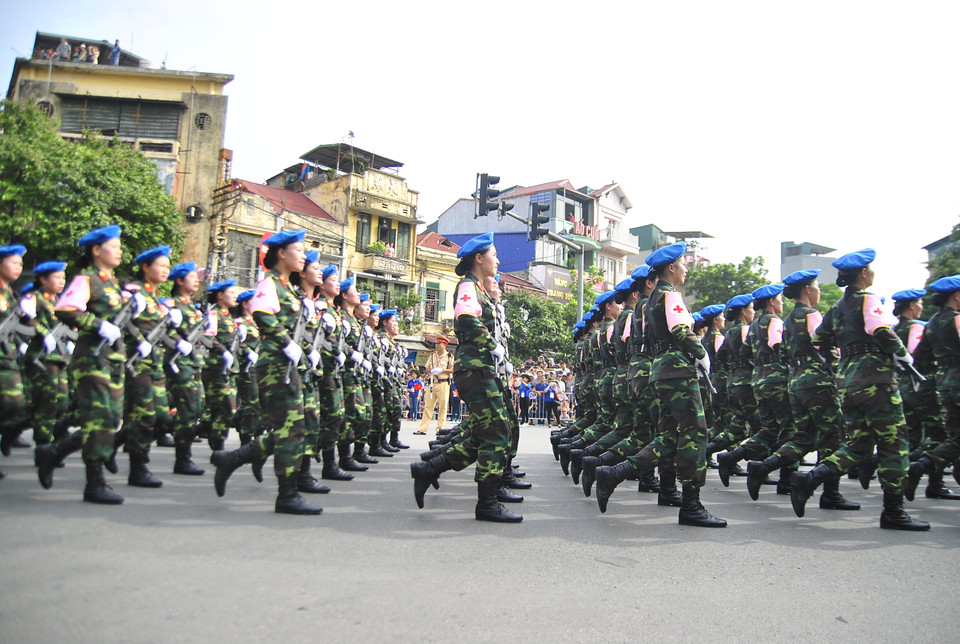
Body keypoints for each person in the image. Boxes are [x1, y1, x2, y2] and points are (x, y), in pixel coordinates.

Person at [791, 248, 928, 530]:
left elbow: (819, 338)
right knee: (894, 444)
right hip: (875, 380)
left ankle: (810, 478)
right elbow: (882, 331)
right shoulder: (868, 299)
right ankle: (893, 511)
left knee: (859, 445)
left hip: (848, 380)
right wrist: (902, 354)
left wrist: (845, 351)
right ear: (864, 273)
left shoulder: (837, 308)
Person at [595, 241, 726, 527]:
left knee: (668, 437)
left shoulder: (652, 299)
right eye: (683, 264)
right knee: (695, 434)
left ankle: (615, 473)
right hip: (678, 372)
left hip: (660, 371)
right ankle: (691, 504)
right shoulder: (670, 296)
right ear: (671, 267)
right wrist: (701, 353)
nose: (686, 269)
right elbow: (681, 330)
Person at [411, 232, 522, 522]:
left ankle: (431, 469)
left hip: (483, 369)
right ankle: (486, 503)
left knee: (489, 434)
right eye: (493, 255)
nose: (497, 260)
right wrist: (492, 346)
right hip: (474, 369)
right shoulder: (467, 287)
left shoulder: (481, 291)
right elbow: (466, 319)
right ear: (478, 258)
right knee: (497, 433)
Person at [211, 230, 322, 515]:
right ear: (282, 254)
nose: (303, 254)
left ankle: (234, 459)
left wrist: (307, 348)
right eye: (298, 249)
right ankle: (286, 494)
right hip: (275, 367)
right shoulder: (269, 283)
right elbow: (261, 312)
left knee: (294, 428)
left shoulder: (288, 288)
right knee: (291, 429)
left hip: (288, 365)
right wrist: (286, 344)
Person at [37, 225, 130, 504]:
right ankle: (95, 483)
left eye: (118, 246)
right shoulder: (87, 279)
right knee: (99, 421)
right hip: (92, 358)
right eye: (113, 246)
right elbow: (65, 308)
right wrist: (97, 324)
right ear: (96, 250)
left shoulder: (113, 282)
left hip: (112, 360)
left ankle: (53, 452)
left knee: (109, 421)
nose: (119, 251)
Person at [119, 245, 177, 489]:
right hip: (137, 363)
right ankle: (138, 467)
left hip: (154, 363)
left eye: (167, 266)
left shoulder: (155, 297)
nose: (165, 270)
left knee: (161, 416)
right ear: (146, 267)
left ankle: (113, 443)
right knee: (143, 417)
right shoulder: (135, 292)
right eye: (161, 266)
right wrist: (138, 338)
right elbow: (120, 321)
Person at [904, 276, 960, 502]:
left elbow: (917, 359)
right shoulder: (956, 320)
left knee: (955, 438)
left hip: (945, 385)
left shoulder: (933, 323)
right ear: (956, 295)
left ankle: (919, 466)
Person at [21, 261, 72, 451]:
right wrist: (44, 333)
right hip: (42, 357)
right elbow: (28, 320)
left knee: (62, 401)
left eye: (63, 278)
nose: (61, 282)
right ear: (43, 279)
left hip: (60, 357)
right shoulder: (34, 298)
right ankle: (43, 443)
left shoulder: (60, 302)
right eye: (57, 278)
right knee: (46, 401)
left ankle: (56, 433)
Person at [165, 262, 207, 476]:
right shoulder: (172, 305)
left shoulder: (192, 307)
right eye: (192, 276)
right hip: (179, 362)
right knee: (187, 410)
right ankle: (183, 459)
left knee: (196, 408)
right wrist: (175, 340)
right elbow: (159, 332)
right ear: (180, 281)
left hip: (194, 362)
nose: (197, 279)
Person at [0, 245, 32, 465]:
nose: (19, 267)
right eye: (14, 262)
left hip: (7, 356)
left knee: (15, 403)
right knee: (13, 402)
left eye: (21, 263)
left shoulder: (10, 292)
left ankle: (8, 433)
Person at [415, 336, 454, 435]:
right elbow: (426, 368)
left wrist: (443, 370)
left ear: (444, 345)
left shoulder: (449, 356)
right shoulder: (432, 355)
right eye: (436, 343)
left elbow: (453, 369)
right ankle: (423, 428)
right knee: (428, 406)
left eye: (439, 343)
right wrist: (430, 371)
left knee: (443, 407)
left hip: (444, 383)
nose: (436, 345)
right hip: (432, 383)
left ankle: (440, 429)